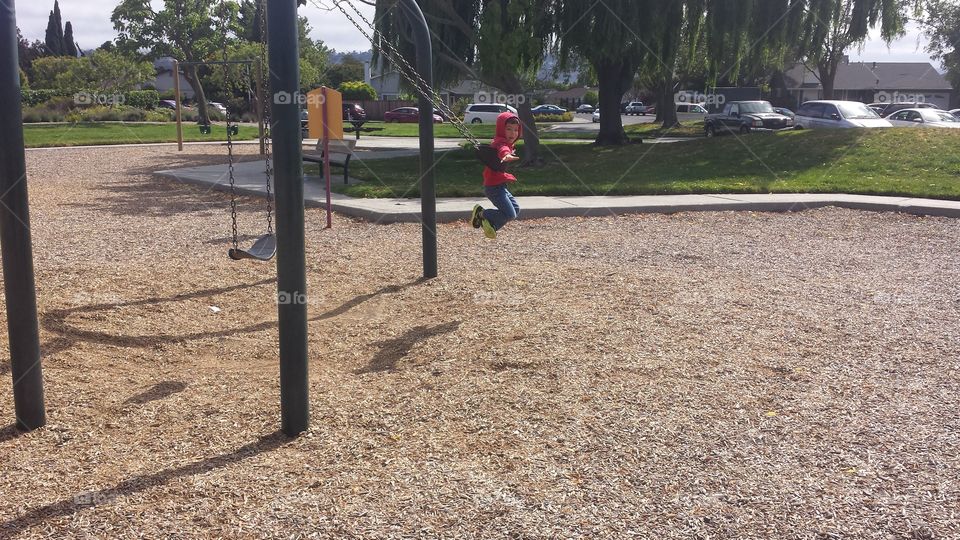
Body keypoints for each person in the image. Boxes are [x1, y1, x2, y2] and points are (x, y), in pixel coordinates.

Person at [470, 111, 522, 239]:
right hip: (494, 188)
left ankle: (490, 225)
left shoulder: (507, 143)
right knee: (510, 214)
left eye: (516, 130)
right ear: (500, 129)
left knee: (516, 210)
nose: (512, 133)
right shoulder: (502, 143)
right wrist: (506, 155)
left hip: (500, 186)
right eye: (508, 129)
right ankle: (481, 214)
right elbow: (502, 150)